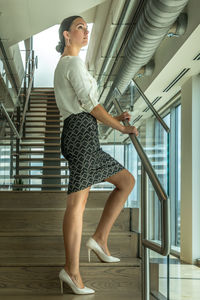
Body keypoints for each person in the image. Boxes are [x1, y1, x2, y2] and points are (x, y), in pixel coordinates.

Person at [53, 15, 139, 295]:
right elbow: (90, 105)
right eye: (80, 27)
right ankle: (71, 270)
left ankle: (99, 239)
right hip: (80, 135)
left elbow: (86, 107)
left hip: (82, 133)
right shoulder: (72, 63)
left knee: (126, 181)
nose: (86, 32)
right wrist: (121, 127)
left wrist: (112, 117)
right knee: (77, 204)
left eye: (87, 28)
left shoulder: (69, 65)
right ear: (66, 35)